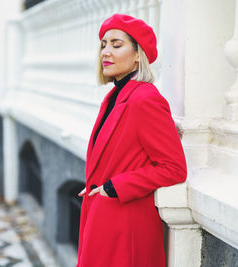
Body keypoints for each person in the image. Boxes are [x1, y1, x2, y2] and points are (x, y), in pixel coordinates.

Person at [76, 13, 187, 267]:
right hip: (102, 219)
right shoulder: (114, 97)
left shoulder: (145, 99)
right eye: (103, 45)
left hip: (126, 226)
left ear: (138, 55)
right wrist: (95, 184)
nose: (106, 52)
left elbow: (174, 169)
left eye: (117, 45)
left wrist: (114, 186)